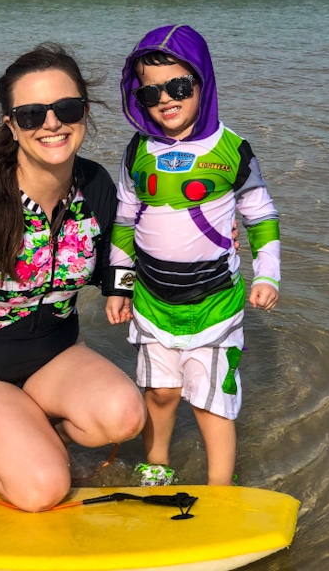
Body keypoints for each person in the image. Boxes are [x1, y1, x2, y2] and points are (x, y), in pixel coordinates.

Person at [0, 44, 146, 540]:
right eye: (32, 113)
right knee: (41, 489)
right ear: (11, 125)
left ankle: (28, 427)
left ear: (84, 112)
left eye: (68, 108)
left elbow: (117, 268)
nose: (52, 123)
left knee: (125, 417)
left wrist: (201, 249)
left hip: (52, 355)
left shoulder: (96, 186)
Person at [104, 25, 280, 487]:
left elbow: (260, 216)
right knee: (160, 393)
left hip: (215, 302)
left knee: (209, 400)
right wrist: (120, 286)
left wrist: (268, 276)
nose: (165, 99)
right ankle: (156, 465)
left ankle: (221, 487)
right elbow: (124, 222)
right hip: (152, 299)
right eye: (150, 93)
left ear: (203, 82)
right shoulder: (138, 150)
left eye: (179, 86)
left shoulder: (233, 150)